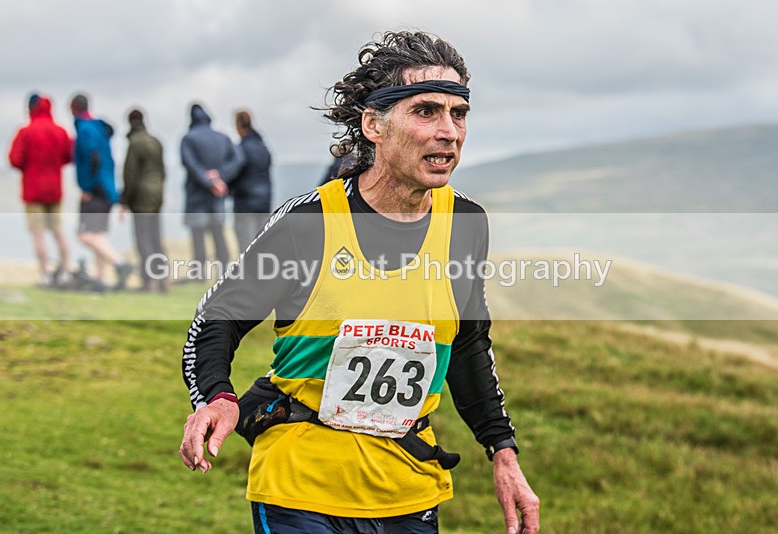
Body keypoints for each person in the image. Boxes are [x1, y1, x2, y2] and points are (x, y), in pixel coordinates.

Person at [179, 30, 540, 534]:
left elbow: (466, 345)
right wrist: (215, 398)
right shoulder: (311, 222)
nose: (449, 131)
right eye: (426, 111)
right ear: (373, 124)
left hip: (409, 488)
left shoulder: (465, 223)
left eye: (459, 114)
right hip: (300, 484)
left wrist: (502, 452)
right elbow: (215, 321)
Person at [8, 93, 73, 287]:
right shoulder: (60, 131)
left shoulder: (26, 132)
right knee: (58, 231)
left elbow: (15, 159)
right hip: (54, 190)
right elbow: (68, 155)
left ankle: (45, 275)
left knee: (38, 234)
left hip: (33, 189)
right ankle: (65, 272)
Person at [70, 93, 133, 290]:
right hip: (107, 187)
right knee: (98, 234)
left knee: (86, 235)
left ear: (73, 108)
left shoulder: (85, 129)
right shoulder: (98, 128)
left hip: (96, 189)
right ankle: (100, 279)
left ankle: (120, 264)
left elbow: (93, 158)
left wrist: (87, 187)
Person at [180, 103, 244, 276]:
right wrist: (220, 177)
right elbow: (238, 158)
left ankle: (198, 274)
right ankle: (225, 271)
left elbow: (190, 164)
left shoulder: (188, 138)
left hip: (196, 194)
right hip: (218, 194)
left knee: (198, 236)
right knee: (219, 233)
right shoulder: (223, 137)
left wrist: (208, 181)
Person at [120, 108, 168, 292]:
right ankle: (163, 279)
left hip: (141, 197)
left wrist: (125, 200)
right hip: (157, 194)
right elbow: (162, 171)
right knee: (156, 238)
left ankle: (149, 281)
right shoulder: (156, 141)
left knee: (144, 239)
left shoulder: (135, 143)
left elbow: (130, 175)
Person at [230, 109, 272, 252]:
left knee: (246, 247)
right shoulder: (263, 147)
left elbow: (233, 173)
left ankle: (248, 274)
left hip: (245, 203)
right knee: (262, 244)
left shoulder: (241, 149)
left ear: (238, 126)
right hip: (264, 202)